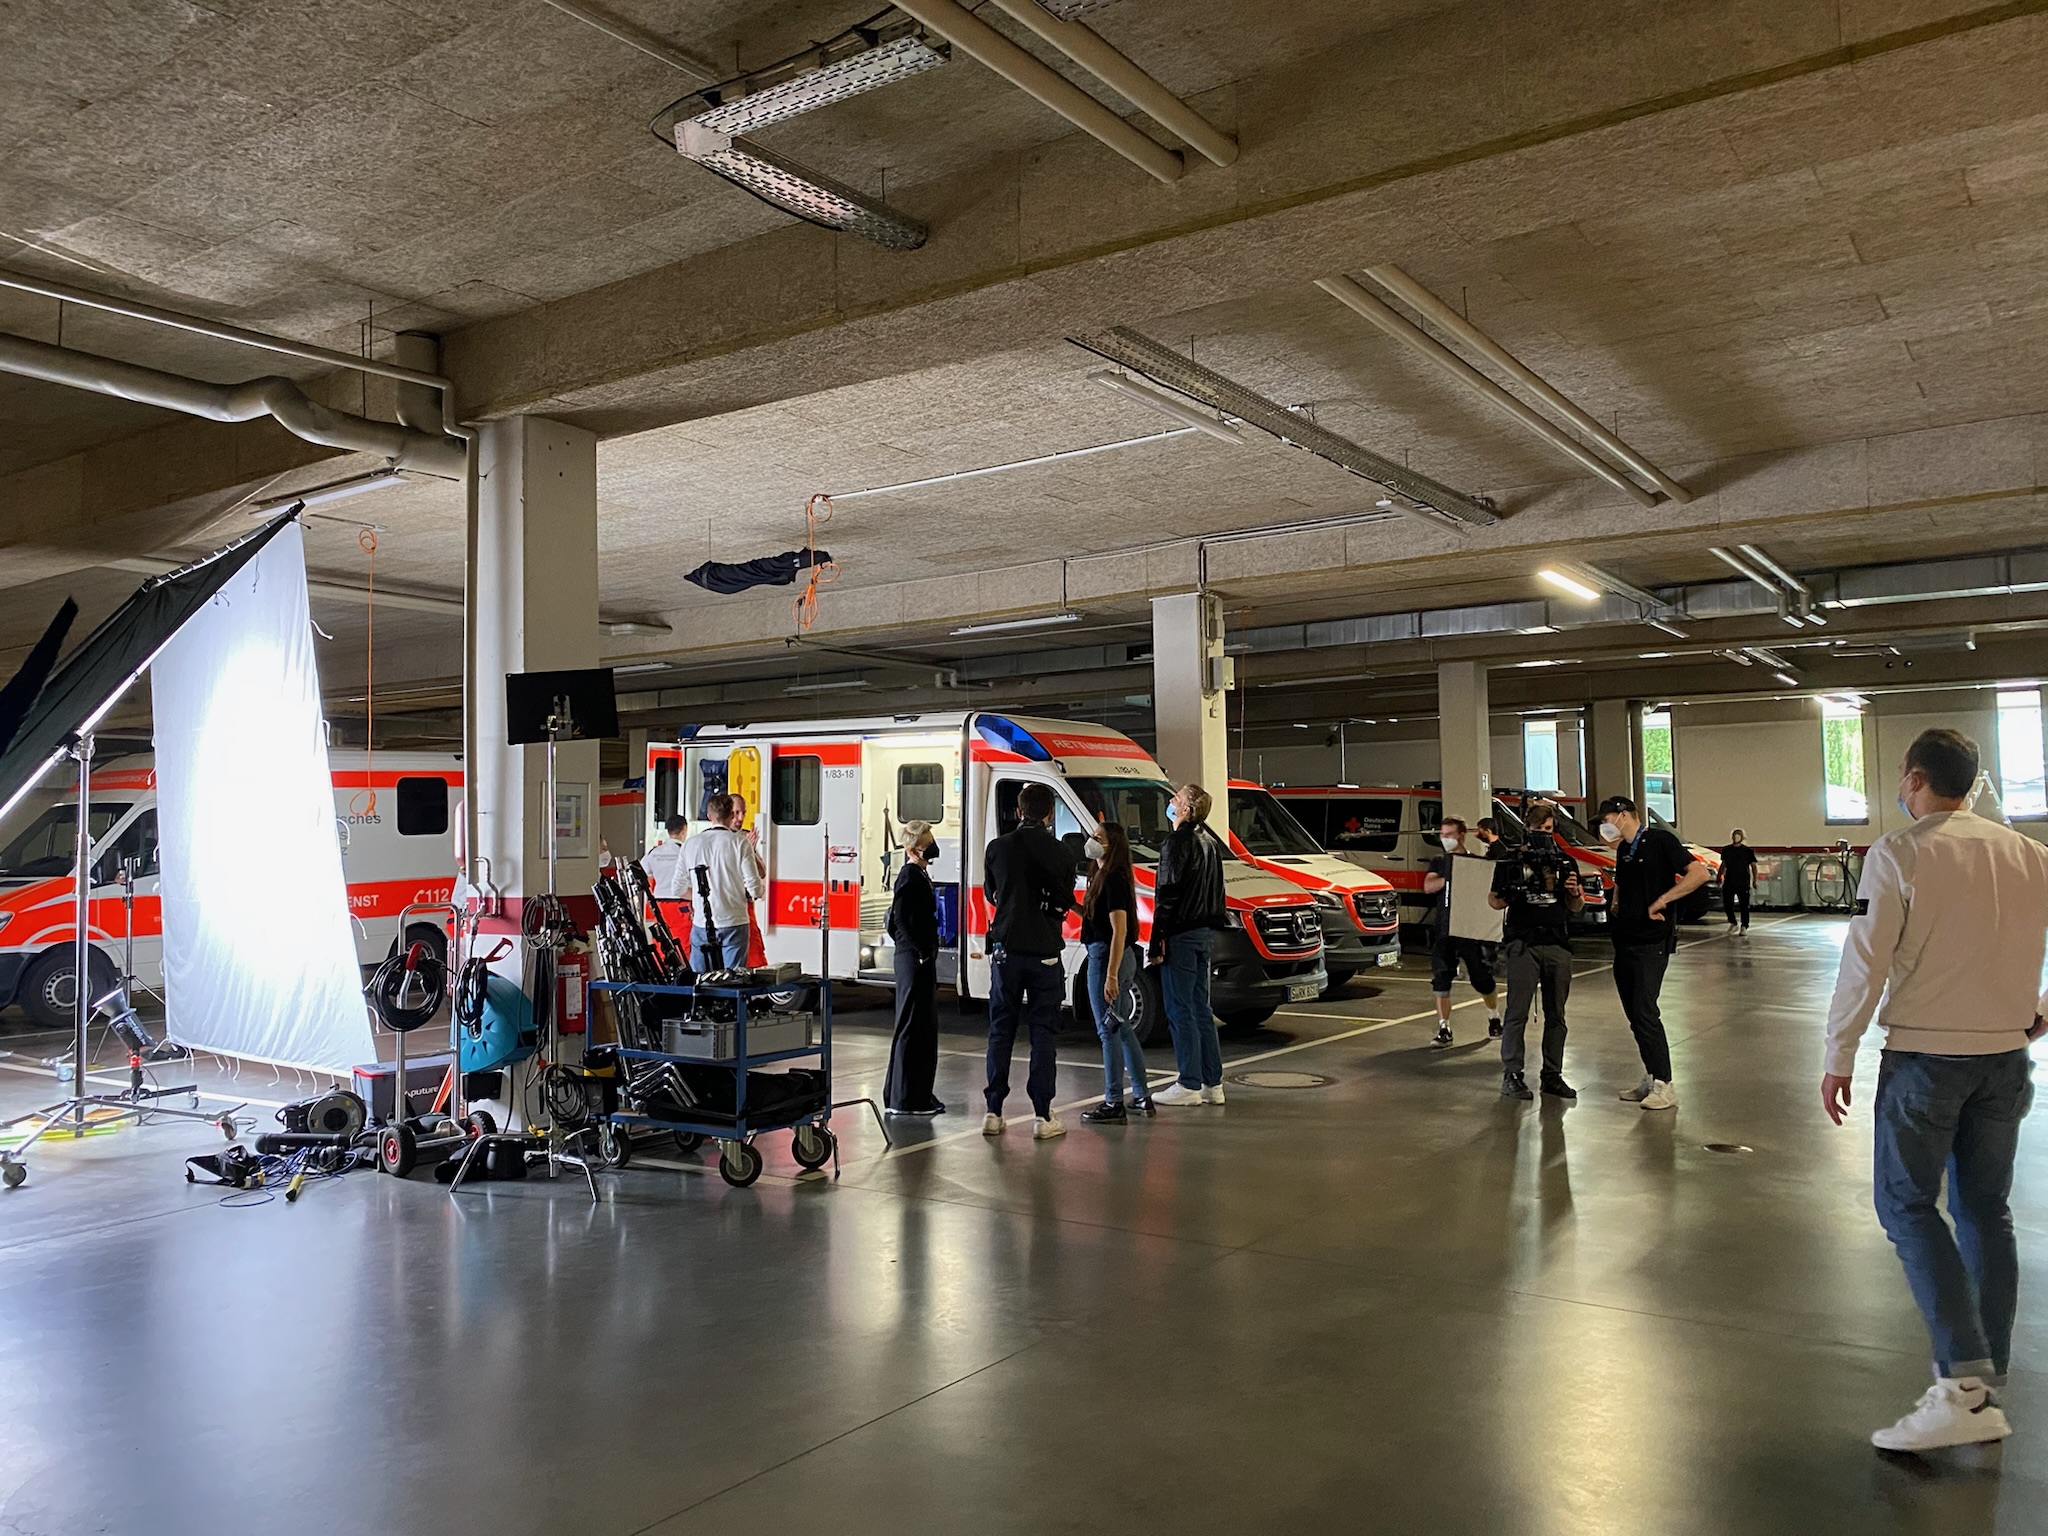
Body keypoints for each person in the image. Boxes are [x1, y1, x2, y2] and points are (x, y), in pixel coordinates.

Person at [1822, 728, 2048, 1453]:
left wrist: (1838, 1054)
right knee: (1986, 1209)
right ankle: (1985, 1385)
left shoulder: (1901, 852)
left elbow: (1864, 962)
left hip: (1926, 1060)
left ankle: (1960, 1384)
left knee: (1907, 1204)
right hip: (2006, 1059)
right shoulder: (2030, 856)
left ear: (1914, 778)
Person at [1597, 794, 1710, 1112]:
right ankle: (1651, 1075)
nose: (1604, 827)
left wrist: (1664, 900)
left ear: (1622, 815)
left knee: (1646, 1011)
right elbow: (1623, 879)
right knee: (1635, 1014)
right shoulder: (1623, 849)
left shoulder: (1660, 840)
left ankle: (1665, 1083)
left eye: (1606, 820)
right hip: (1625, 939)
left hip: (1651, 942)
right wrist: (1618, 898)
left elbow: (1698, 873)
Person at [981, 782, 1078, 1140]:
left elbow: (992, 893)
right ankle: (1042, 1114)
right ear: (1050, 813)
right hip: (1045, 952)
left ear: (1019, 811)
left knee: (1001, 1029)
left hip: (1006, 948)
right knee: (1043, 1032)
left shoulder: (998, 848)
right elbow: (1064, 898)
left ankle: (993, 1111)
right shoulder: (1062, 852)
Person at [1487, 801, 1582, 1100]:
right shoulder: (1511, 862)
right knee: (1517, 1012)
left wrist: (1573, 892)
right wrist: (1513, 893)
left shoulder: (1566, 863)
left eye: (1549, 829)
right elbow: (1493, 900)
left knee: (1557, 1015)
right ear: (1526, 828)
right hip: (1522, 943)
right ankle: (1512, 1073)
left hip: (1556, 943)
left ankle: (1552, 1074)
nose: (1544, 834)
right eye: (1538, 829)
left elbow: (1576, 907)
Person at [1150, 783, 1229, 1107]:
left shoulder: (1176, 843)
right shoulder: (1211, 843)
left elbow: (1167, 893)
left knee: (1179, 1008)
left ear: (1187, 809)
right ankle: (1213, 1082)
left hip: (1181, 935)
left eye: (1177, 798)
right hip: (1204, 934)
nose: (1171, 801)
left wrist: (1157, 939)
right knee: (1201, 1009)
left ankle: (1188, 1083)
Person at [1079, 821, 1154, 1124]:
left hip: (1108, 958)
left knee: (1107, 1031)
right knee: (1121, 1029)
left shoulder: (1114, 880)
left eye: (1098, 838)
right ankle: (1141, 1095)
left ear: (1112, 847)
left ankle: (1113, 1101)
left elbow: (1118, 931)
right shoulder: (1100, 877)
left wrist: (1110, 976)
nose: (1091, 841)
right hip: (1112, 956)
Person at [882, 819, 945, 1117]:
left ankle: (918, 1093)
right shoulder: (909, 877)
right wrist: (920, 951)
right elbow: (901, 920)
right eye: (927, 842)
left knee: (922, 1025)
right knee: (911, 1026)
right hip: (913, 959)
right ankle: (904, 1097)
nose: (932, 847)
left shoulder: (918, 874)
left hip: (918, 957)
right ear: (912, 848)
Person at [1422, 816, 1502, 1047]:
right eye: (1442, 835)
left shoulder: (1475, 862)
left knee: (1482, 977)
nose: (1445, 839)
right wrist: (1452, 877)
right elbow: (1428, 886)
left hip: (1470, 930)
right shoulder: (1439, 862)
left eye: (1449, 834)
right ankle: (1444, 1027)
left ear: (1461, 835)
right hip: (1444, 929)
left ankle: (1494, 1017)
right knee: (1441, 978)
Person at [679, 792, 762, 972]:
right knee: (732, 981)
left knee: (700, 981)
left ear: (709, 816)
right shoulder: (740, 843)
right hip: (735, 921)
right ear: (731, 815)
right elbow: (755, 889)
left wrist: (698, 899)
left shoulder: (690, 844)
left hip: (702, 922)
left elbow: (677, 887)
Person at [1718, 828, 1758, 933]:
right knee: (1727, 903)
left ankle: (1744, 925)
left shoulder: (1748, 851)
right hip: (1729, 880)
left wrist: (1755, 880)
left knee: (1744, 905)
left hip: (1743, 881)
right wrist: (1719, 875)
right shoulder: (1726, 850)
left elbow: (1753, 866)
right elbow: (1723, 864)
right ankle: (1733, 922)